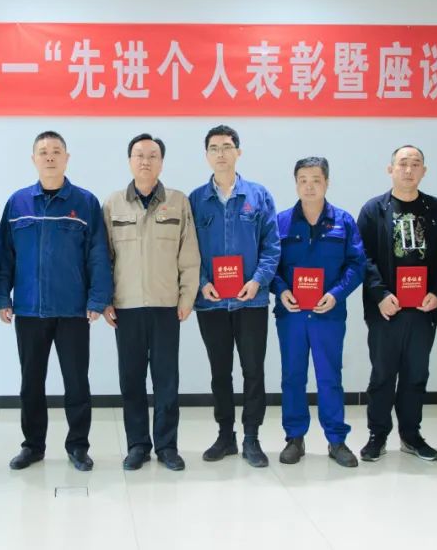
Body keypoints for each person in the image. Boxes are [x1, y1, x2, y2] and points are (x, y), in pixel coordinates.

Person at [0, 131, 112, 472]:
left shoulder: (85, 202)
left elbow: (98, 253)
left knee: (76, 382)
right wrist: (2, 296)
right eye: (43, 152)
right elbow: (4, 255)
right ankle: (32, 446)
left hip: (73, 309)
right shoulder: (17, 203)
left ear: (66, 158)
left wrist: (97, 298)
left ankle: (78, 446)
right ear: (33, 159)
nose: (49, 157)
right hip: (29, 309)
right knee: (31, 382)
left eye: (56, 151)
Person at [102, 133, 199, 472]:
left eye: (152, 155)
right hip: (126, 307)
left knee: (166, 380)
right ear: (130, 161)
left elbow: (189, 254)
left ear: (161, 162)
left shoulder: (178, 202)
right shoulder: (113, 204)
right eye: (139, 155)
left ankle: (167, 446)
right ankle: (137, 446)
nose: (145, 161)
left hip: (166, 306)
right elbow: (104, 258)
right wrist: (105, 301)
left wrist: (187, 297)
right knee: (131, 381)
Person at [189, 125, 280, 468]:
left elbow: (272, 246)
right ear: (206, 155)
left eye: (227, 147)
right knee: (220, 372)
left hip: (250, 301)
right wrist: (201, 283)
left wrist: (258, 281)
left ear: (238, 152)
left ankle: (252, 437)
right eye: (214, 148)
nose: (221, 154)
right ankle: (225, 435)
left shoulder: (259, 195)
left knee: (253, 370)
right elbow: (187, 249)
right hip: (211, 302)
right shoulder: (196, 200)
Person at [356, 145, 437, 463]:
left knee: (416, 375)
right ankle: (377, 435)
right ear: (390, 169)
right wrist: (380, 294)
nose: (408, 170)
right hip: (386, 309)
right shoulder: (374, 210)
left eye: (415, 164)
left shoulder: (436, 210)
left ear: (424, 171)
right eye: (402, 164)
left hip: (423, 310)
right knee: (382, 375)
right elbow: (363, 258)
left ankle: (411, 435)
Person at [272, 157, 365, 467]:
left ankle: (336, 440)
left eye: (316, 180)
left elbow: (357, 264)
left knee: (329, 377)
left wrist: (336, 294)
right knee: (292, 377)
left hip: (328, 314)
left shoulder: (343, 221)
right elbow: (270, 264)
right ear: (295, 183)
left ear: (327, 182)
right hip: (292, 314)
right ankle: (294, 438)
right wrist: (281, 290)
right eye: (303, 180)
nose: (309, 186)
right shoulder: (281, 222)